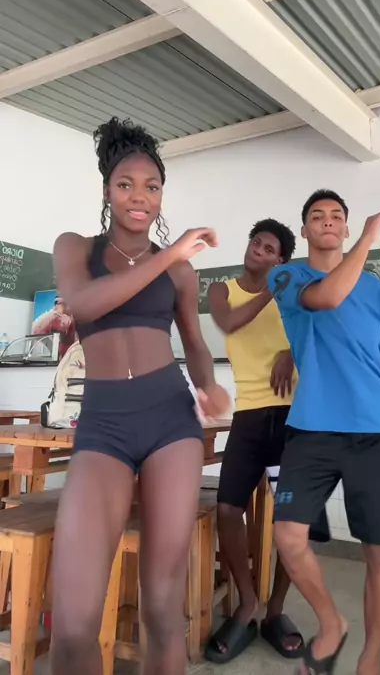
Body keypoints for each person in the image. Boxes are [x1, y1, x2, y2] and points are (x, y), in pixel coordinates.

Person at [50, 117, 230, 675]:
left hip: (170, 422)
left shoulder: (180, 274)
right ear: (108, 190)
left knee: (161, 607)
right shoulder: (75, 248)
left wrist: (209, 386)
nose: (140, 196)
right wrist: (168, 254)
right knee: (73, 624)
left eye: (152, 186)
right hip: (103, 424)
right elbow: (83, 304)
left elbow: (195, 345)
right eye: (126, 184)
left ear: (161, 196)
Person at [268, 189, 380, 675]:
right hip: (311, 430)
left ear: (344, 226)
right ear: (305, 230)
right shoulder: (287, 276)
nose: (328, 221)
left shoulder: (376, 291)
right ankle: (331, 623)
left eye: (337, 215)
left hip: (376, 431)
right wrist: (369, 237)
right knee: (289, 537)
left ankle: (370, 657)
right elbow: (328, 297)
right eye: (317, 216)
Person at [205, 220, 330, 664]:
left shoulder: (294, 295)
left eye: (269, 248)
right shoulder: (221, 291)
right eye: (255, 243)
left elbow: (319, 333)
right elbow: (229, 322)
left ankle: (275, 609)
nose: (258, 250)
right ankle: (248, 602)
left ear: (281, 259)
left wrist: (290, 352)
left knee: (294, 522)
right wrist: (273, 290)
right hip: (249, 415)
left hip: (295, 417)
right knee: (228, 510)